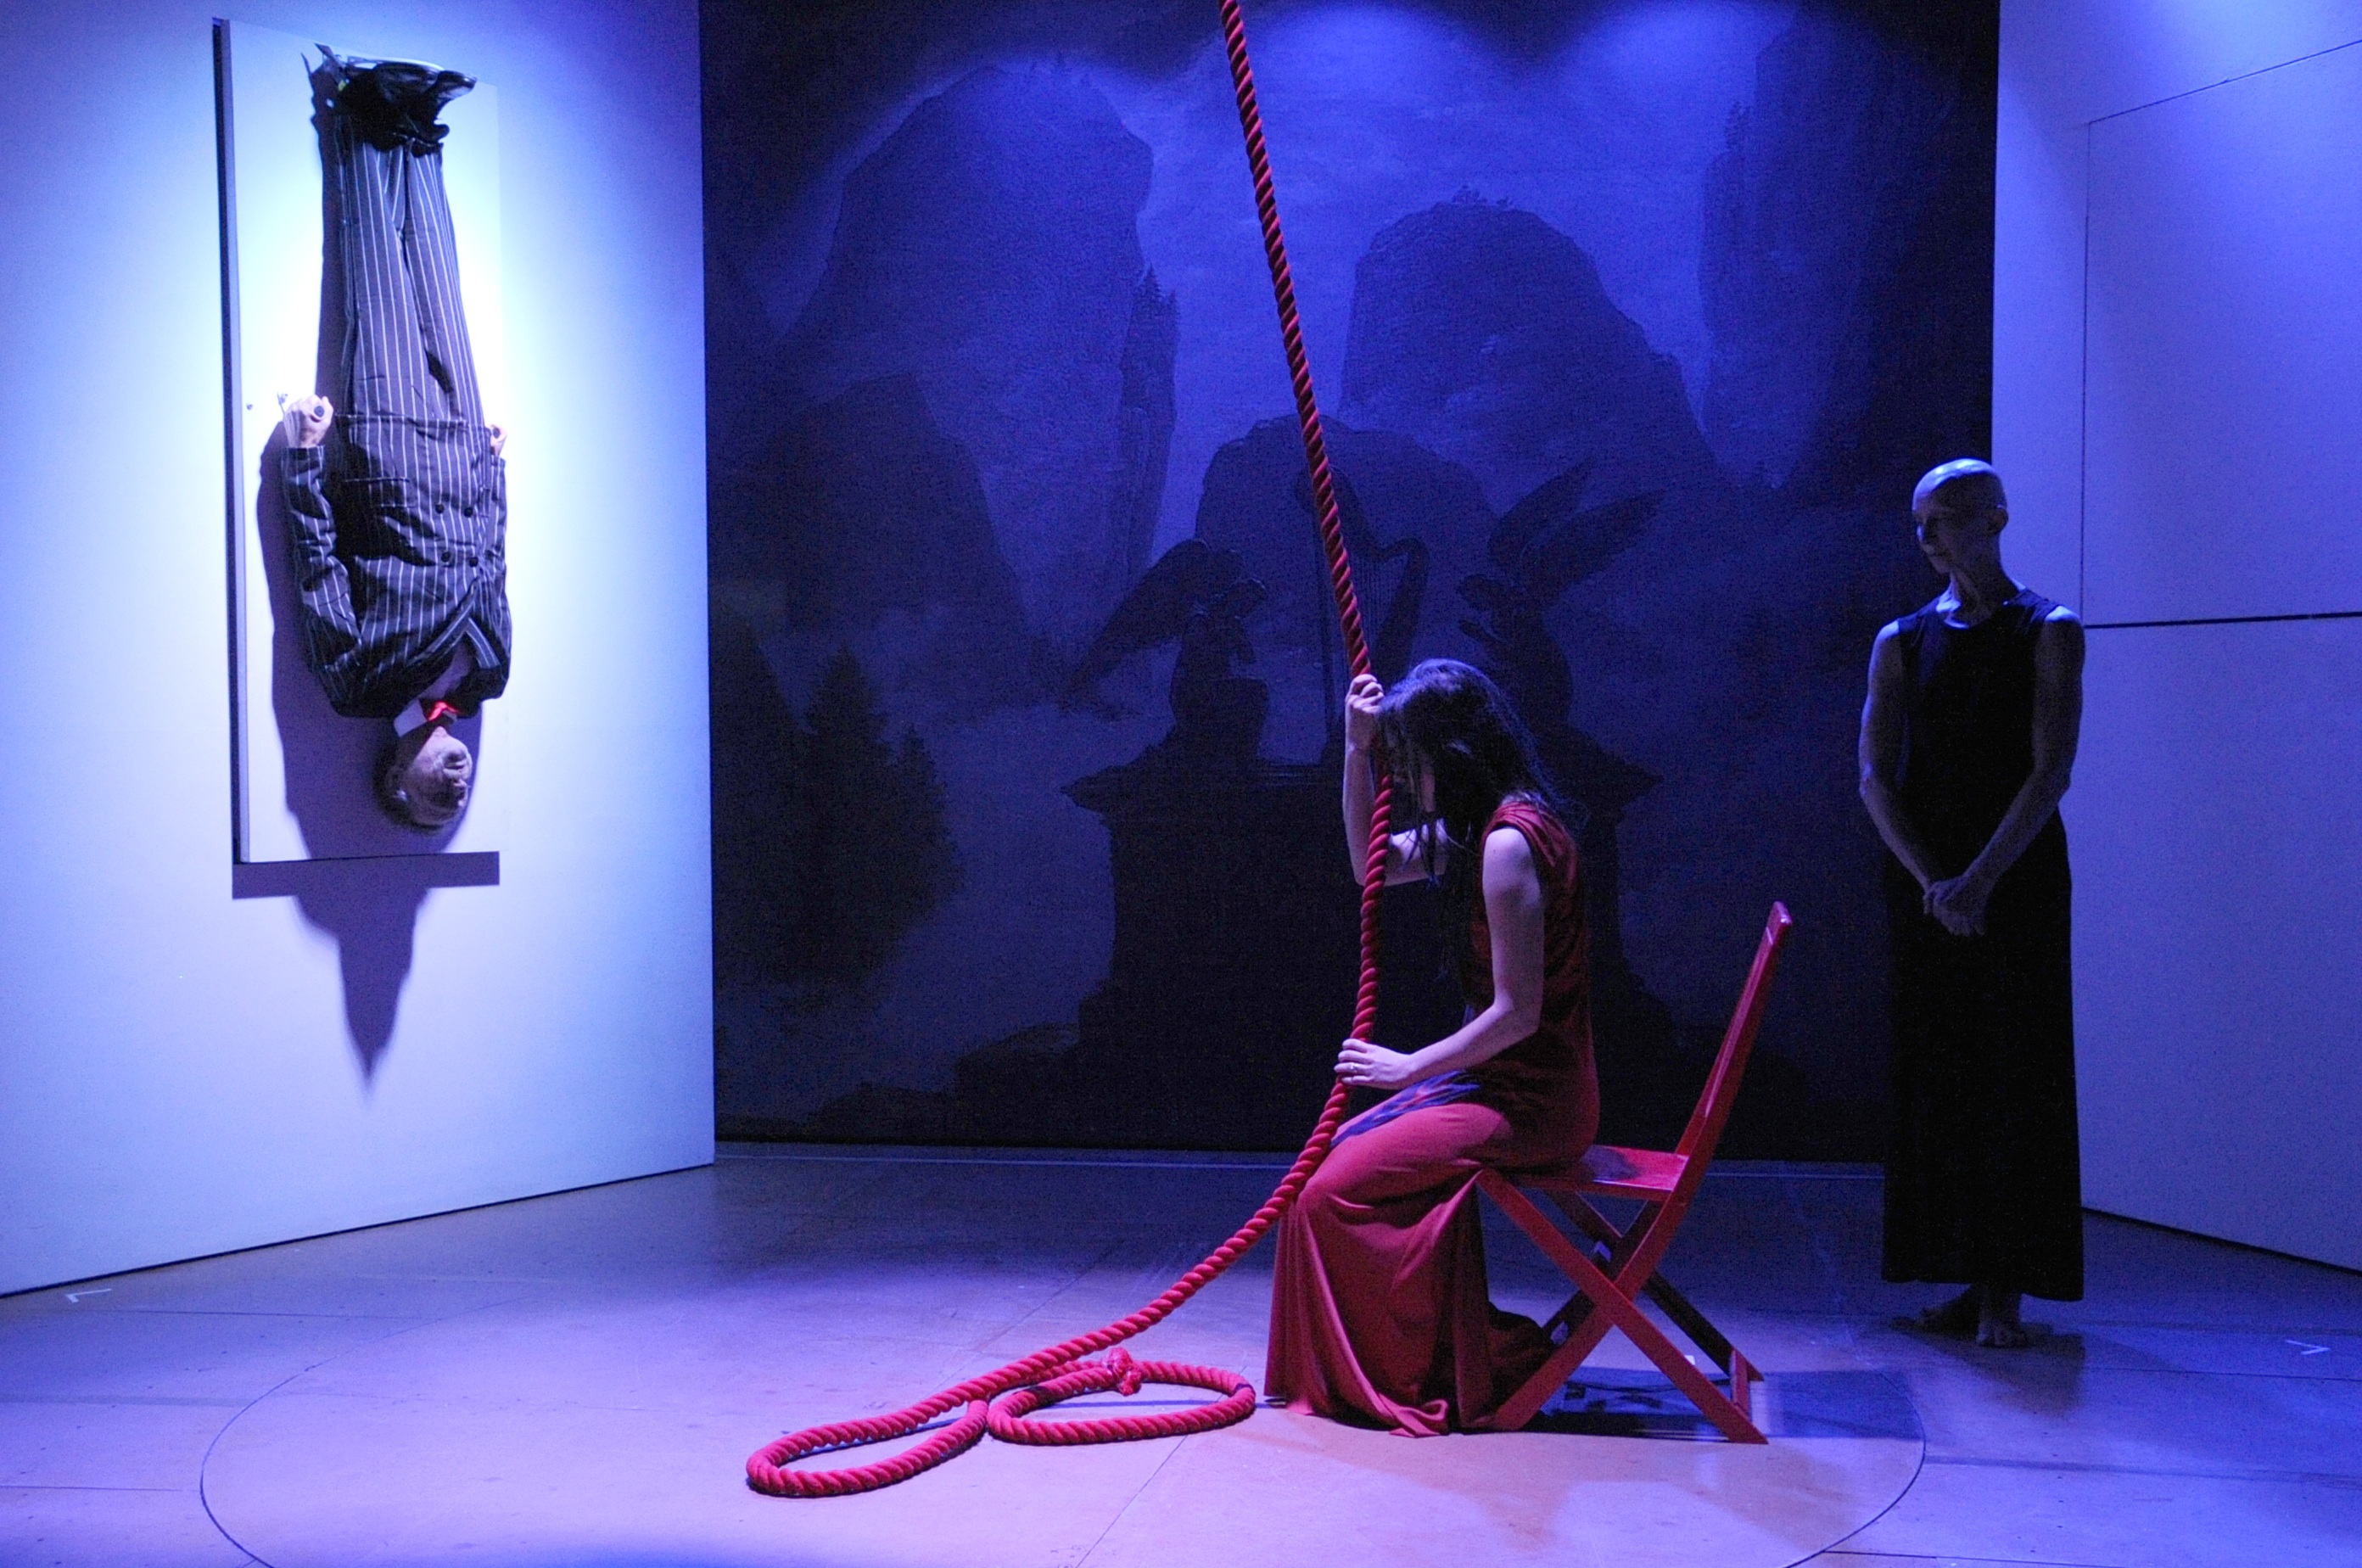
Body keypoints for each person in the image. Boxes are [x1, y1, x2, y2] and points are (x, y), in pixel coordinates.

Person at [1265, 658, 1598, 1433]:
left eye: (1412, 765)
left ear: (1452, 757)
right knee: (1327, 1166)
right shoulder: (1480, 831)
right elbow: (1369, 867)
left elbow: (1517, 1014)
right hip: (1499, 1087)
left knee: (1326, 1194)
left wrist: (1409, 1068)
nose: (1409, 784)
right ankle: (1437, 1351)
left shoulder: (1509, 845)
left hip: (1531, 1102)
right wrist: (1356, 752)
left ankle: (1440, 1362)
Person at [1858, 459, 2085, 1347]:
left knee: (2016, 1072)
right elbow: (1874, 776)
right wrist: (1933, 882)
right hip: (1929, 883)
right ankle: (1959, 1269)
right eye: (1921, 524)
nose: (1930, 539)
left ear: (1995, 517)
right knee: (1941, 1072)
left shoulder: (2047, 630)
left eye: (1947, 519)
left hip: (2015, 879)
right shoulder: (1902, 640)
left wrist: (1981, 879)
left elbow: (2050, 770)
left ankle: (2005, 1286)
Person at [277, 50, 510, 831]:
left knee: (376, 275)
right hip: (461, 458)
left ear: (395, 780)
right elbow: (494, 572)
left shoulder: (358, 689)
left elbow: (318, 571)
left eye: (436, 802)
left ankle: (363, 103)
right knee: (441, 282)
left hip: (388, 455)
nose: (457, 790)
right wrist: (494, 476)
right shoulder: (488, 679)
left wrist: (304, 458)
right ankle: (421, 129)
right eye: (461, 803)